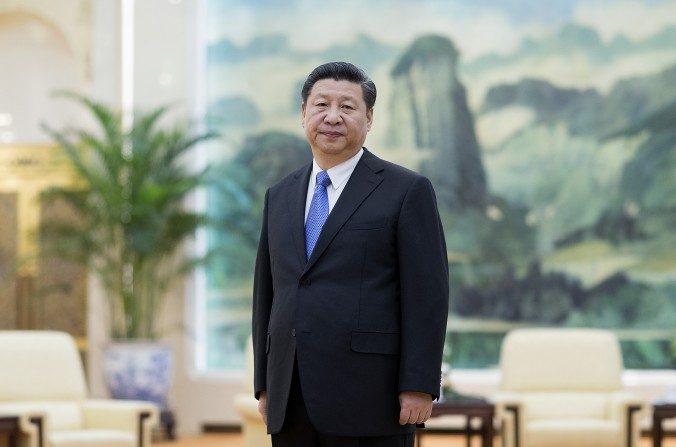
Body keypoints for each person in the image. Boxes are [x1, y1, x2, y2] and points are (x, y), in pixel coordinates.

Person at [252, 61, 449, 447]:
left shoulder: (407, 191)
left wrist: (419, 384)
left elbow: (427, 296)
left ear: (369, 118)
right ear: (303, 113)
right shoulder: (280, 195)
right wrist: (264, 383)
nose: (332, 117)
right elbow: (267, 294)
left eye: (347, 107)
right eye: (321, 105)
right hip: (290, 395)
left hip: (371, 397)